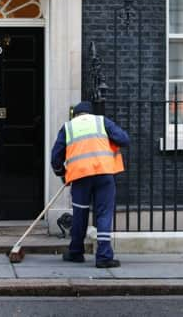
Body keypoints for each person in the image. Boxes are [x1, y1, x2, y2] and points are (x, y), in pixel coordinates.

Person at [51, 101, 130, 268]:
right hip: (104, 175)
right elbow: (124, 139)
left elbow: (55, 158)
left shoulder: (68, 127)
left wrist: (62, 174)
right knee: (103, 214)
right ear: (90, 113)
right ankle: (103, 257)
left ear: (76, 115)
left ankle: (76, 253)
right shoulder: (102, 122)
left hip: (81, 178)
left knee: (80, 214)